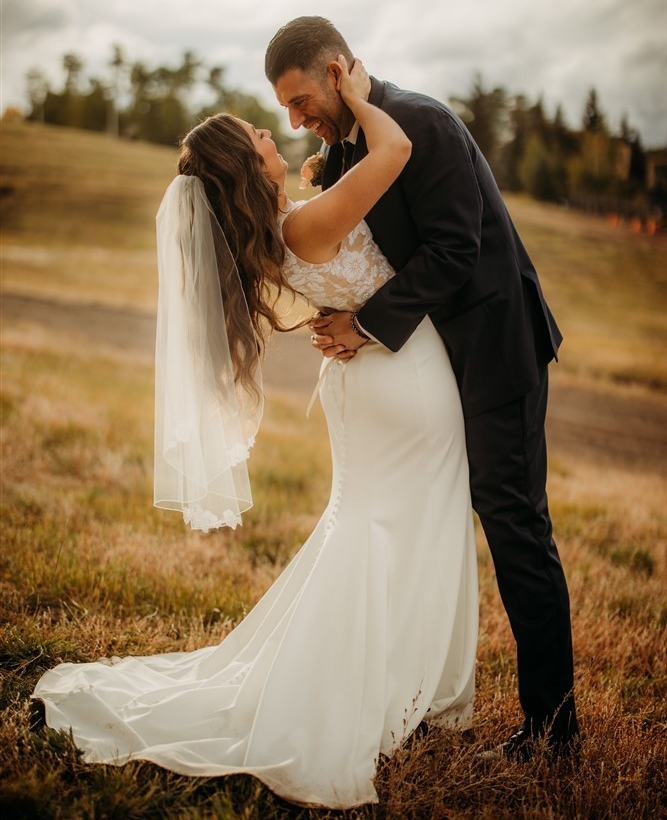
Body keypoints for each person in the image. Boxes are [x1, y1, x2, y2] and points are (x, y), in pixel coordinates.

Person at [31, 56, 478, 809]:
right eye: (258, 132)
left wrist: (325, 165)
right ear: (246, 162)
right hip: (400, 381)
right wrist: (361, 100)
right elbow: (396, 154)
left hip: (368, 380)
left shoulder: (288, 224)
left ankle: (386, 684)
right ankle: (379, 694)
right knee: (404, 529)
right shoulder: (305, 222)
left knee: (374, 528)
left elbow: (348, 222)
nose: (273, 132)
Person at [265, 16, 579, 759]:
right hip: (442, 359)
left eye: (302, 98)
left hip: (496, 348)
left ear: (337, 71)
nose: (296, 118)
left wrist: (367, 324)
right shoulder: (345, 146)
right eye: (284, 109)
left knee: (514, 524)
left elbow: (453, 249)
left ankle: (552, 729)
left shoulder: (420, 122)